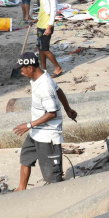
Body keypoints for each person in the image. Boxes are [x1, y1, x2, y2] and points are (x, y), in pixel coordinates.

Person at [12, 52, 78, 190]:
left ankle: (56, 196)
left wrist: (29, 125)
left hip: (47, 136)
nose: (22, 73)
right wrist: (67, 108)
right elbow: (58, 90)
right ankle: (21, 190)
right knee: (26, 158)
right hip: (36, 132)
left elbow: (52, 113)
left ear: (30, 68)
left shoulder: (44, 86)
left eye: (22, 69)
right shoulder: (42, 77)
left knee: (52, 176)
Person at [34, 0, 63, 77]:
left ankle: (58, 68)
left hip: (46, 25)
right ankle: (44, 68)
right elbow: (43, 9)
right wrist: (37, 20)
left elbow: (54, 10)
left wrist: (49, 26)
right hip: (41, 24)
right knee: (40, 47)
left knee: (45, 49)